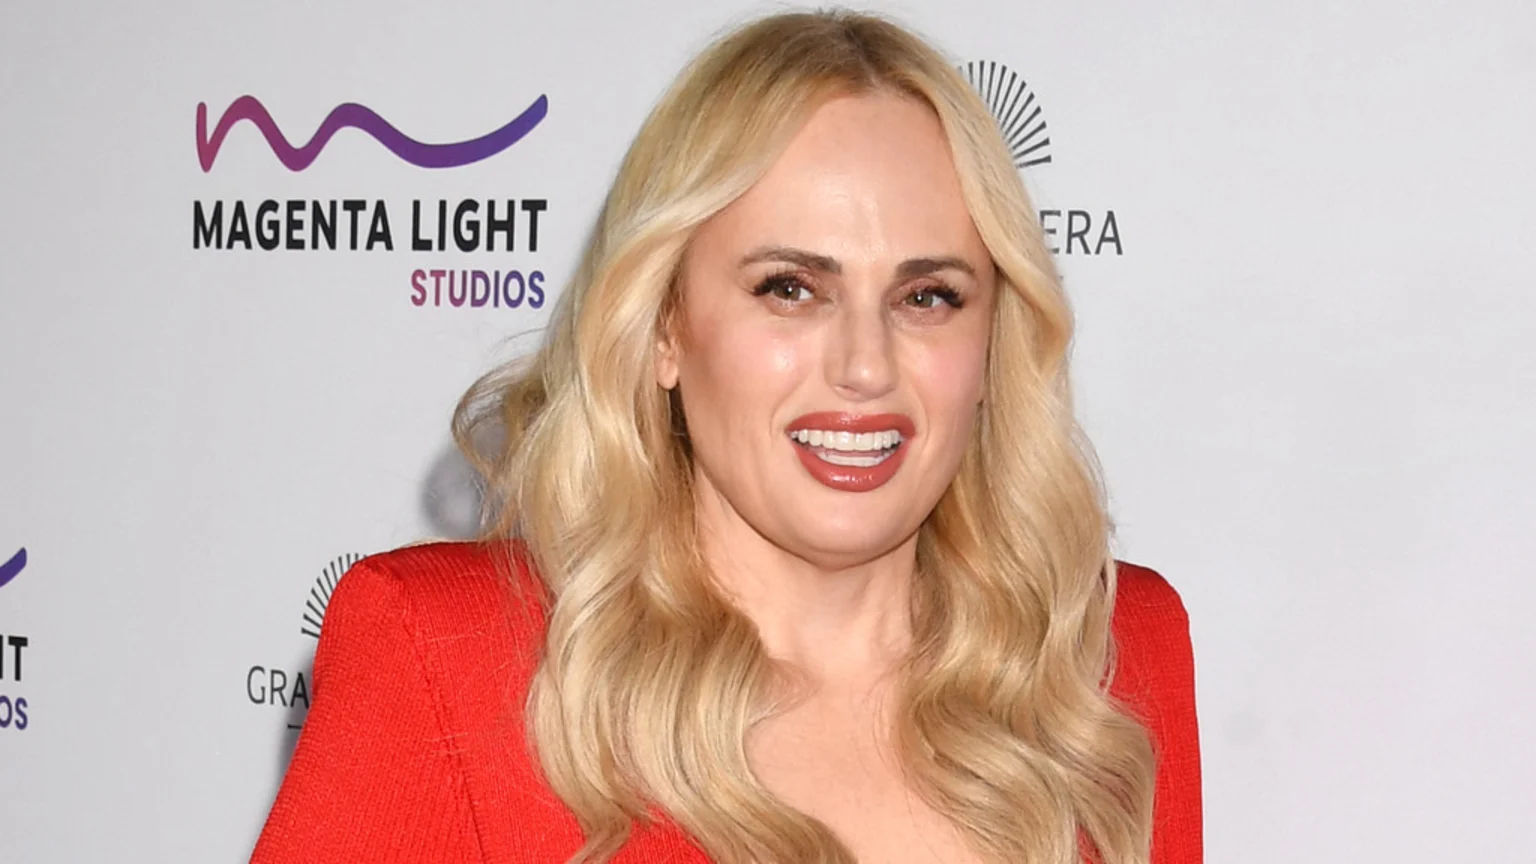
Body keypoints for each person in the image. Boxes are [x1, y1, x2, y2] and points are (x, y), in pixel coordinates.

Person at [251, 9, 1200, 864]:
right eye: (790, 288)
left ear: (993, 340)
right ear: (663, 326)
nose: (865, 366)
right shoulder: (444, 661)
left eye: (927, 296)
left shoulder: (1110, 660)